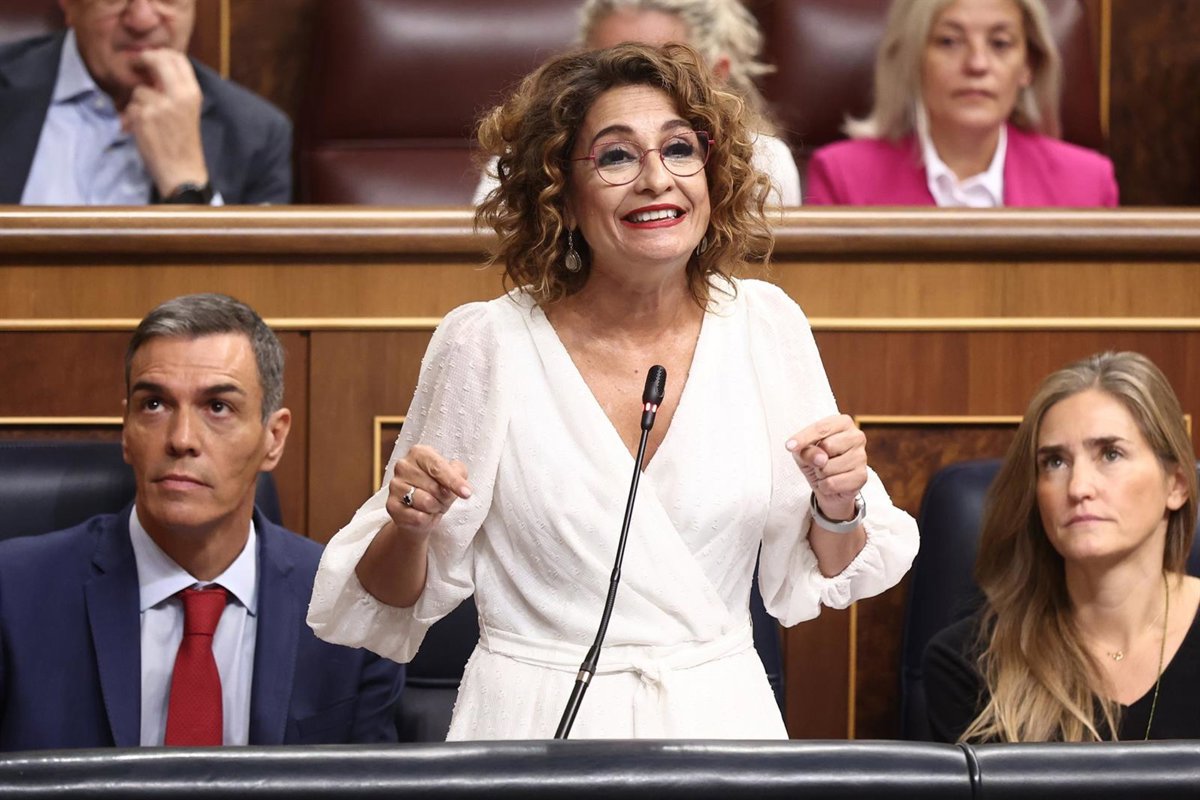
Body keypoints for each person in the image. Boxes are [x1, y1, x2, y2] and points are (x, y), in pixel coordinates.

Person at [309, 43, 917, 740]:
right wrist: (411, 528)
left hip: (720, 725)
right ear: (561, 194)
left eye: (680, 148)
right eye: (617, 157)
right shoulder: (485, 343)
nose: (657, 179)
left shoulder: (766, 325)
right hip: (532, 727)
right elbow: (385, 600)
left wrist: (837, 504)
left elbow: (828, 570)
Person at [0, 294, 403, 751]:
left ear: (274, 438)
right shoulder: (14, 594)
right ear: (127, 431)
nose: (181, 439)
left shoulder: (348, 607)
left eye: (218, 407)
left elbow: (369, 782)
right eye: (154, 404)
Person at [924, 351, 1200, 742]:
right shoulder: (970, 662)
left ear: (1177, 485)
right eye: (1055, 462)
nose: (1078, 487)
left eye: (1110, 454)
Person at [472, 0, 801, 207]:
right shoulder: (528, 163)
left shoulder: (765, 163)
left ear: (716, 76)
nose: (631, 86)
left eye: (659, 71)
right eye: (607, 66)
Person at [805, 0, 1118, 207]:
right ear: (913, 59)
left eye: (1000, 43)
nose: (977, 64)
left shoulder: (1088, 184)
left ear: (1028, 66)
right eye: (949, 41)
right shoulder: (841, 179)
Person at [0, 0, 291, 205]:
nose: (142, 20)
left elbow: (248, 277)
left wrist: (186, 181)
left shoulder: (257, 136)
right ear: (70, 4)